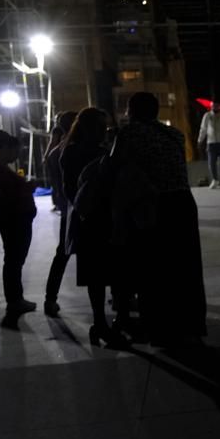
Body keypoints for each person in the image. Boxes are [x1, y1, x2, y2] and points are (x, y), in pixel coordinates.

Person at [114, 91, 206, 344]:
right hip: (183, 203)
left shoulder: (129, 134)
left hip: (153, 205)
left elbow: (115, 169)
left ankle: (159, 327)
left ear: (133, 111)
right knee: (185, 267)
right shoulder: (174, 134)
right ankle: (191, 323)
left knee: (152, 269)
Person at [63, 107, 128, 348]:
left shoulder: (72, 153)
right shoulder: (94, 154)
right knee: (105, 277)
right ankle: (103, 324)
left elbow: (69, 192)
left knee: (100, 277)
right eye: (100, 127)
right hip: (96, 218)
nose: (103, 131)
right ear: (88, 128)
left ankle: (103, 323)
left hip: (91, 219)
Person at [0, 131, 37, 317]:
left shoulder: (0, 169)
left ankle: (16, 299)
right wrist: (27, 187)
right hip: (13, 220)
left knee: (14, 261)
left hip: (14, 219)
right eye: (16, 151)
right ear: (5, 149)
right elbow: (7, 196)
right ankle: (15, 300)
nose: (17, 155)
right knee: (14, 261)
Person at [42, 110, 77, 316]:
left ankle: (50, 298)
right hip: (76, 209)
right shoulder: (70, 151)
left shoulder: (55, 152)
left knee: (62, 255)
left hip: (67, 210)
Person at [198, 100, 220, 188]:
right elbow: (203, 128)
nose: (215, 107)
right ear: (211, 106)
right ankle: (215, 180)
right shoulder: (207, 115)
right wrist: (200, 140)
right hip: (211, 143)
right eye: (213, 106)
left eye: (217, 106)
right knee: (211, 162)